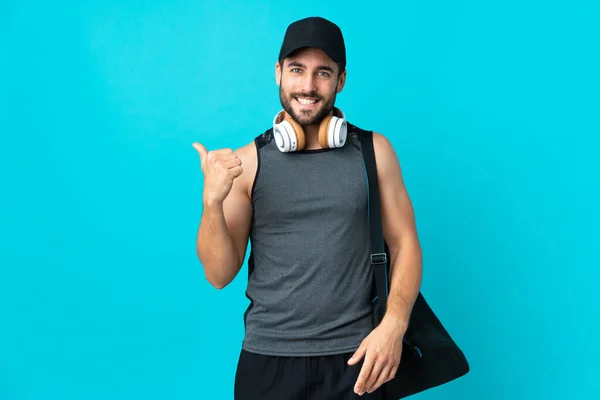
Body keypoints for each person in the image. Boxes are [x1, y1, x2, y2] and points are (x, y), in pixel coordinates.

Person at [193, 16, 423, 399]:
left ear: (341, 81)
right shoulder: (246, 163)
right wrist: (212, 203)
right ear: (278, 73)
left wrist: (394, 324)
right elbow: (218, 274)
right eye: (297, 70)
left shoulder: (374, 152)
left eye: (323, 73)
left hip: (358, 360)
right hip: (268, 361)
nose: (308, 86)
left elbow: (405, 244)